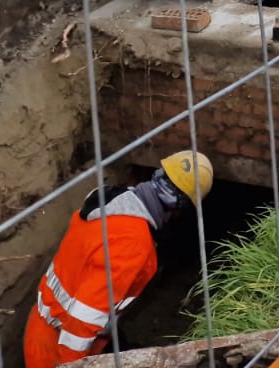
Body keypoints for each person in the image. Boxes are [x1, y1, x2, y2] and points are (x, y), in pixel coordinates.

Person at [24, 151, 214, 367]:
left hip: (49, 329)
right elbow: (82, 319)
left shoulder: (110, 198)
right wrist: (72, 365)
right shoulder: (133, 243)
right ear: (179, 207)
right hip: (58, 350)